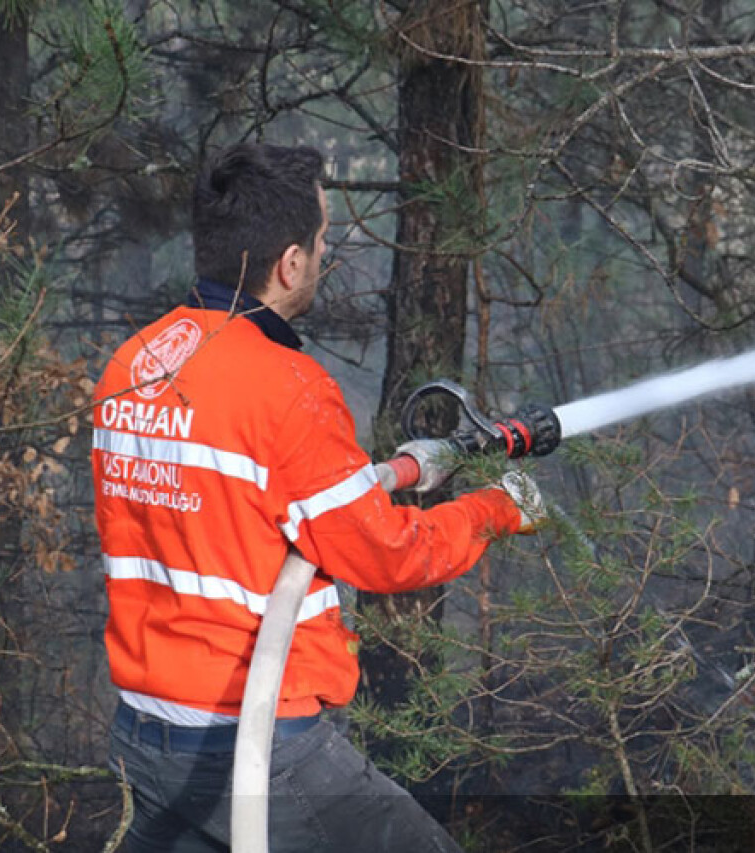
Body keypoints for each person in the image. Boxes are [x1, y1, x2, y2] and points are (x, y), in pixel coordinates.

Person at [91, 142, 540, 852]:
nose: (324, 254)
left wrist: (397, 472)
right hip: (258, 743)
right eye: (323, 239)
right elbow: (388, 554)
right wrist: (499, 507)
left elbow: (238, 505)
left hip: (143, 736)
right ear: (290, 262)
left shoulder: (136, 360)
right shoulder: (286, 387)